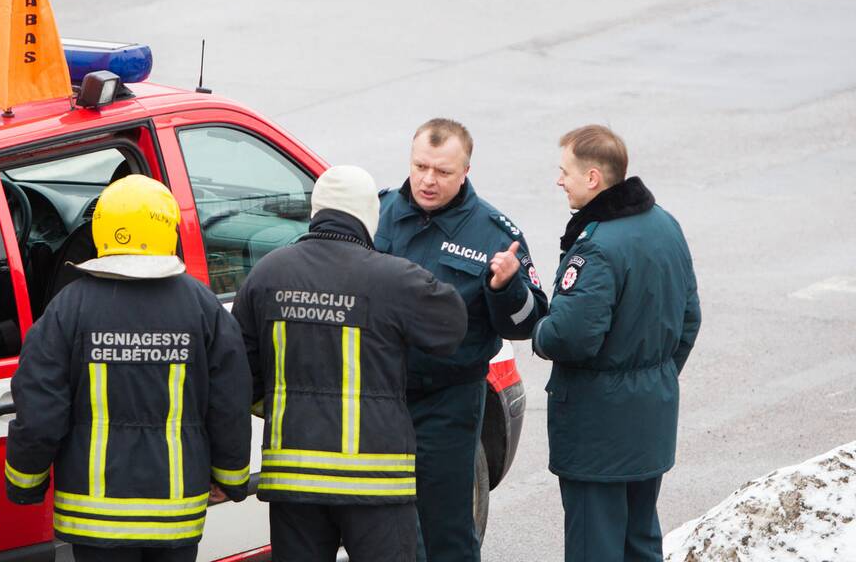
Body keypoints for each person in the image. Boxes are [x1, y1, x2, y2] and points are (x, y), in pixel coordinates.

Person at [4, 175, 252, 562]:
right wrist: (229, 476)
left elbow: (39, 410)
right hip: (175, 511)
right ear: (166, 228)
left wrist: (26, 482)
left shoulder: (68, 308)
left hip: (94, 515)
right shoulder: (202, 307)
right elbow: (230, 402)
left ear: (102, 228)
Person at [232, 165, 468, 562]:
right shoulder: (393, 278)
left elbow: (241, 376)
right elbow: (451, 327)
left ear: (315, 211)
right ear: (367, 217)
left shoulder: (267, 273)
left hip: (294, 478)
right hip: (375, 480)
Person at [374, 118, 549, 562]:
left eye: (443, 171)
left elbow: (529, 323)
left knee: (445, 529)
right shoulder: (379, 212)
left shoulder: (495, 233)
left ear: (465, 170)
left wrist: (506, 287)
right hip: (379, 394)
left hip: (447, 402)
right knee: (378, 527)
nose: (428, 180)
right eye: (420, 166)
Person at [532, 125, 701, 562]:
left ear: (593, 178)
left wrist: (539, 332)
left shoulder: (599, 246)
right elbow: (689, 319)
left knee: (596, 546)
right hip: (649, 420)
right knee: (640, 541)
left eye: (564, 170)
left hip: (597, 432)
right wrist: (652, 376)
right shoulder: (665, 224)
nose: (558, 180)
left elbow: (570, 336)